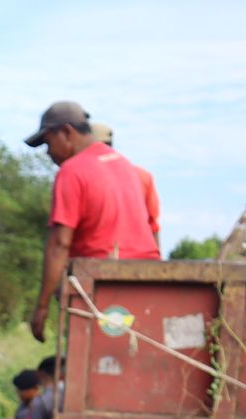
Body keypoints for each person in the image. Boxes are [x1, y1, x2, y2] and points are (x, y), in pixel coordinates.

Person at [25, 100, 161, 342]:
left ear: (67, 132)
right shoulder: (127, 166)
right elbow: (152, 231)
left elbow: (60, 244)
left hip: (102, 286)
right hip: (148, 282)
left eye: (47, 142)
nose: (47, 152)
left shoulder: (72, 171)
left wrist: (42, 307)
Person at [91, 121, 161, 239]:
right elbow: (153, 224)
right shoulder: (142, 175)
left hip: (100, 250)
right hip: (139, 250)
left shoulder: (85, 176)